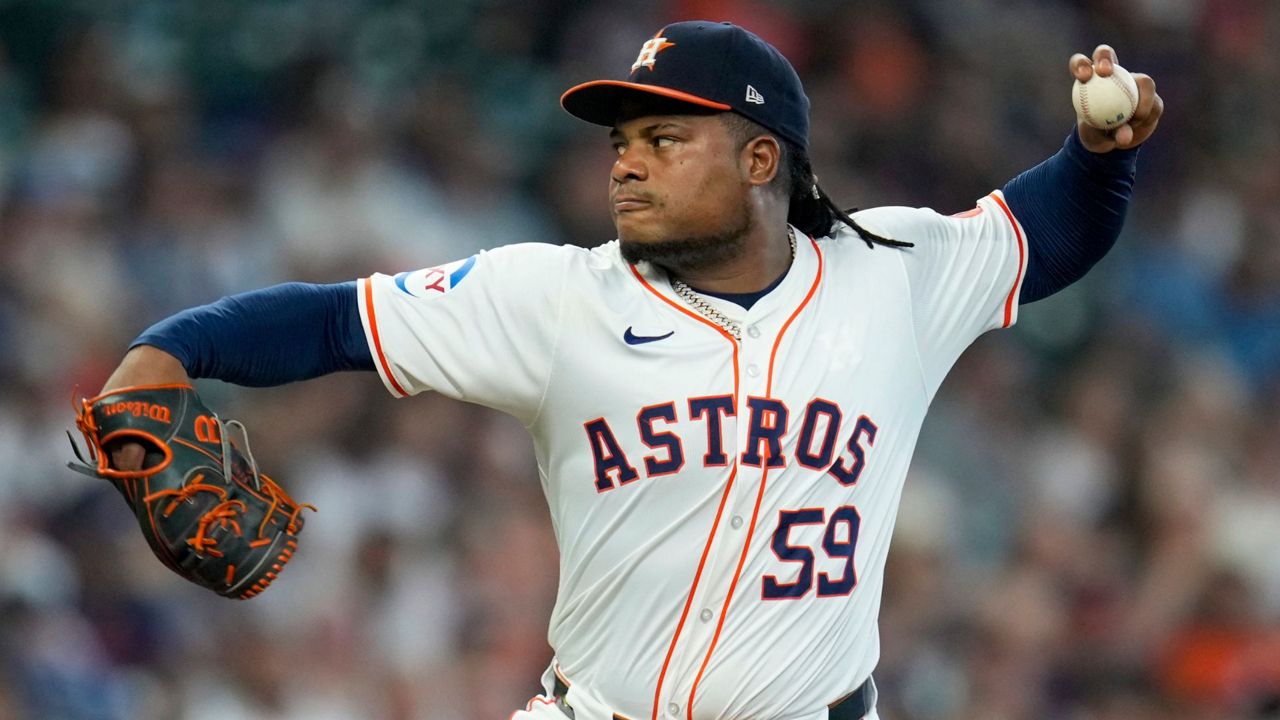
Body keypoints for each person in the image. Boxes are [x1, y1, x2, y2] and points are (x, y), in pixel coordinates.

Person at [95, 20, 1162, 720]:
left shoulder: (887, 271)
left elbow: (1047, 231)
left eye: (661, 138)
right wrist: (167, 353)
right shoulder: (558, 298)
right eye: (619, 143)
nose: (625, 162)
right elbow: (331, 322)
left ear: (758, 161)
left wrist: (1100, 152)